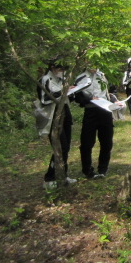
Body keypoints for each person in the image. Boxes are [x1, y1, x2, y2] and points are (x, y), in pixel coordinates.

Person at [38, 60, 76, 189]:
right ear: (53, 67)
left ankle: (63, 175)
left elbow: (68, 98)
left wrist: (73, 91)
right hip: (54, 115)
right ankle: (50, 178)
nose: (62, 72)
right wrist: (63, 91)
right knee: (60, 147)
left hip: (65, 113)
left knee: (66, 147)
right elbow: (44, 99)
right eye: (60, 69)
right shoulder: (45, 79)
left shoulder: (61, 80)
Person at [74, 66, 114, 179]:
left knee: (107, 142)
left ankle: (103, 169)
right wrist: (89, 99)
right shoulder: (80, 78)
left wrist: (115, 101)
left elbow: (110, 91)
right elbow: (77, 97)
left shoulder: (103, 75)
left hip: (105, 111)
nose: (93, 67)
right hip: (91, 111)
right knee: (87, 142)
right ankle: (87, 170)